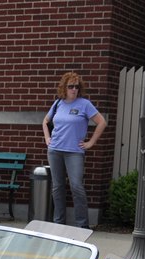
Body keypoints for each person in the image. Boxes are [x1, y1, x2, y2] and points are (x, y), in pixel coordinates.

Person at [42, 71, 106, 228]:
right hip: (55, 150)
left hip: (74, 153)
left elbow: (102, 122)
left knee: (76, 186)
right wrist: (47, 138)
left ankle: (82, 225)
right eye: (71, 86)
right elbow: (45, 121)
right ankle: (59, 223)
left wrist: (90, 142)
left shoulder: (84, 104)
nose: (74, 90)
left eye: (76, 87)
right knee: (57, 187)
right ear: (64, 87)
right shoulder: (58, 103)